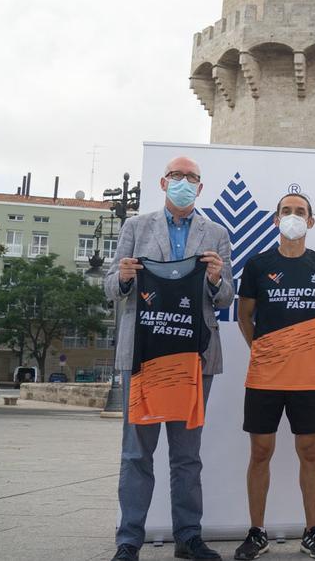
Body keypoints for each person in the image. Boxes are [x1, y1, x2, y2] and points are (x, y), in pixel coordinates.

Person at [106, 156, 234, 561]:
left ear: (200, 187)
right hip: (144, 356)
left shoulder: (216, 233)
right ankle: (129, 540)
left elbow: (226, 297)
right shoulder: (135, 227)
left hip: (193, 358)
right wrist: (125, 277)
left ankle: (189, 537)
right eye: (176, 176)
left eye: (190, 177)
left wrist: (215, 280)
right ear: (163, 183)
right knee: (136, 453)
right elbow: (111, 287)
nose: (182, 182)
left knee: (186, 455)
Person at [234, 193, 315, 560]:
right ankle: (256, 532)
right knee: (260, 451)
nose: (293, 216)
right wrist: (266, 351)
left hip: (308, 379)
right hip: (264, 377)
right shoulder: (256, 265)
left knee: (309, 451)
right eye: (287, 211)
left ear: (311, 221)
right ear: (275, 219)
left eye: (300, 212)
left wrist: (311, 352)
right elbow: (243, 316)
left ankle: (312, 531)